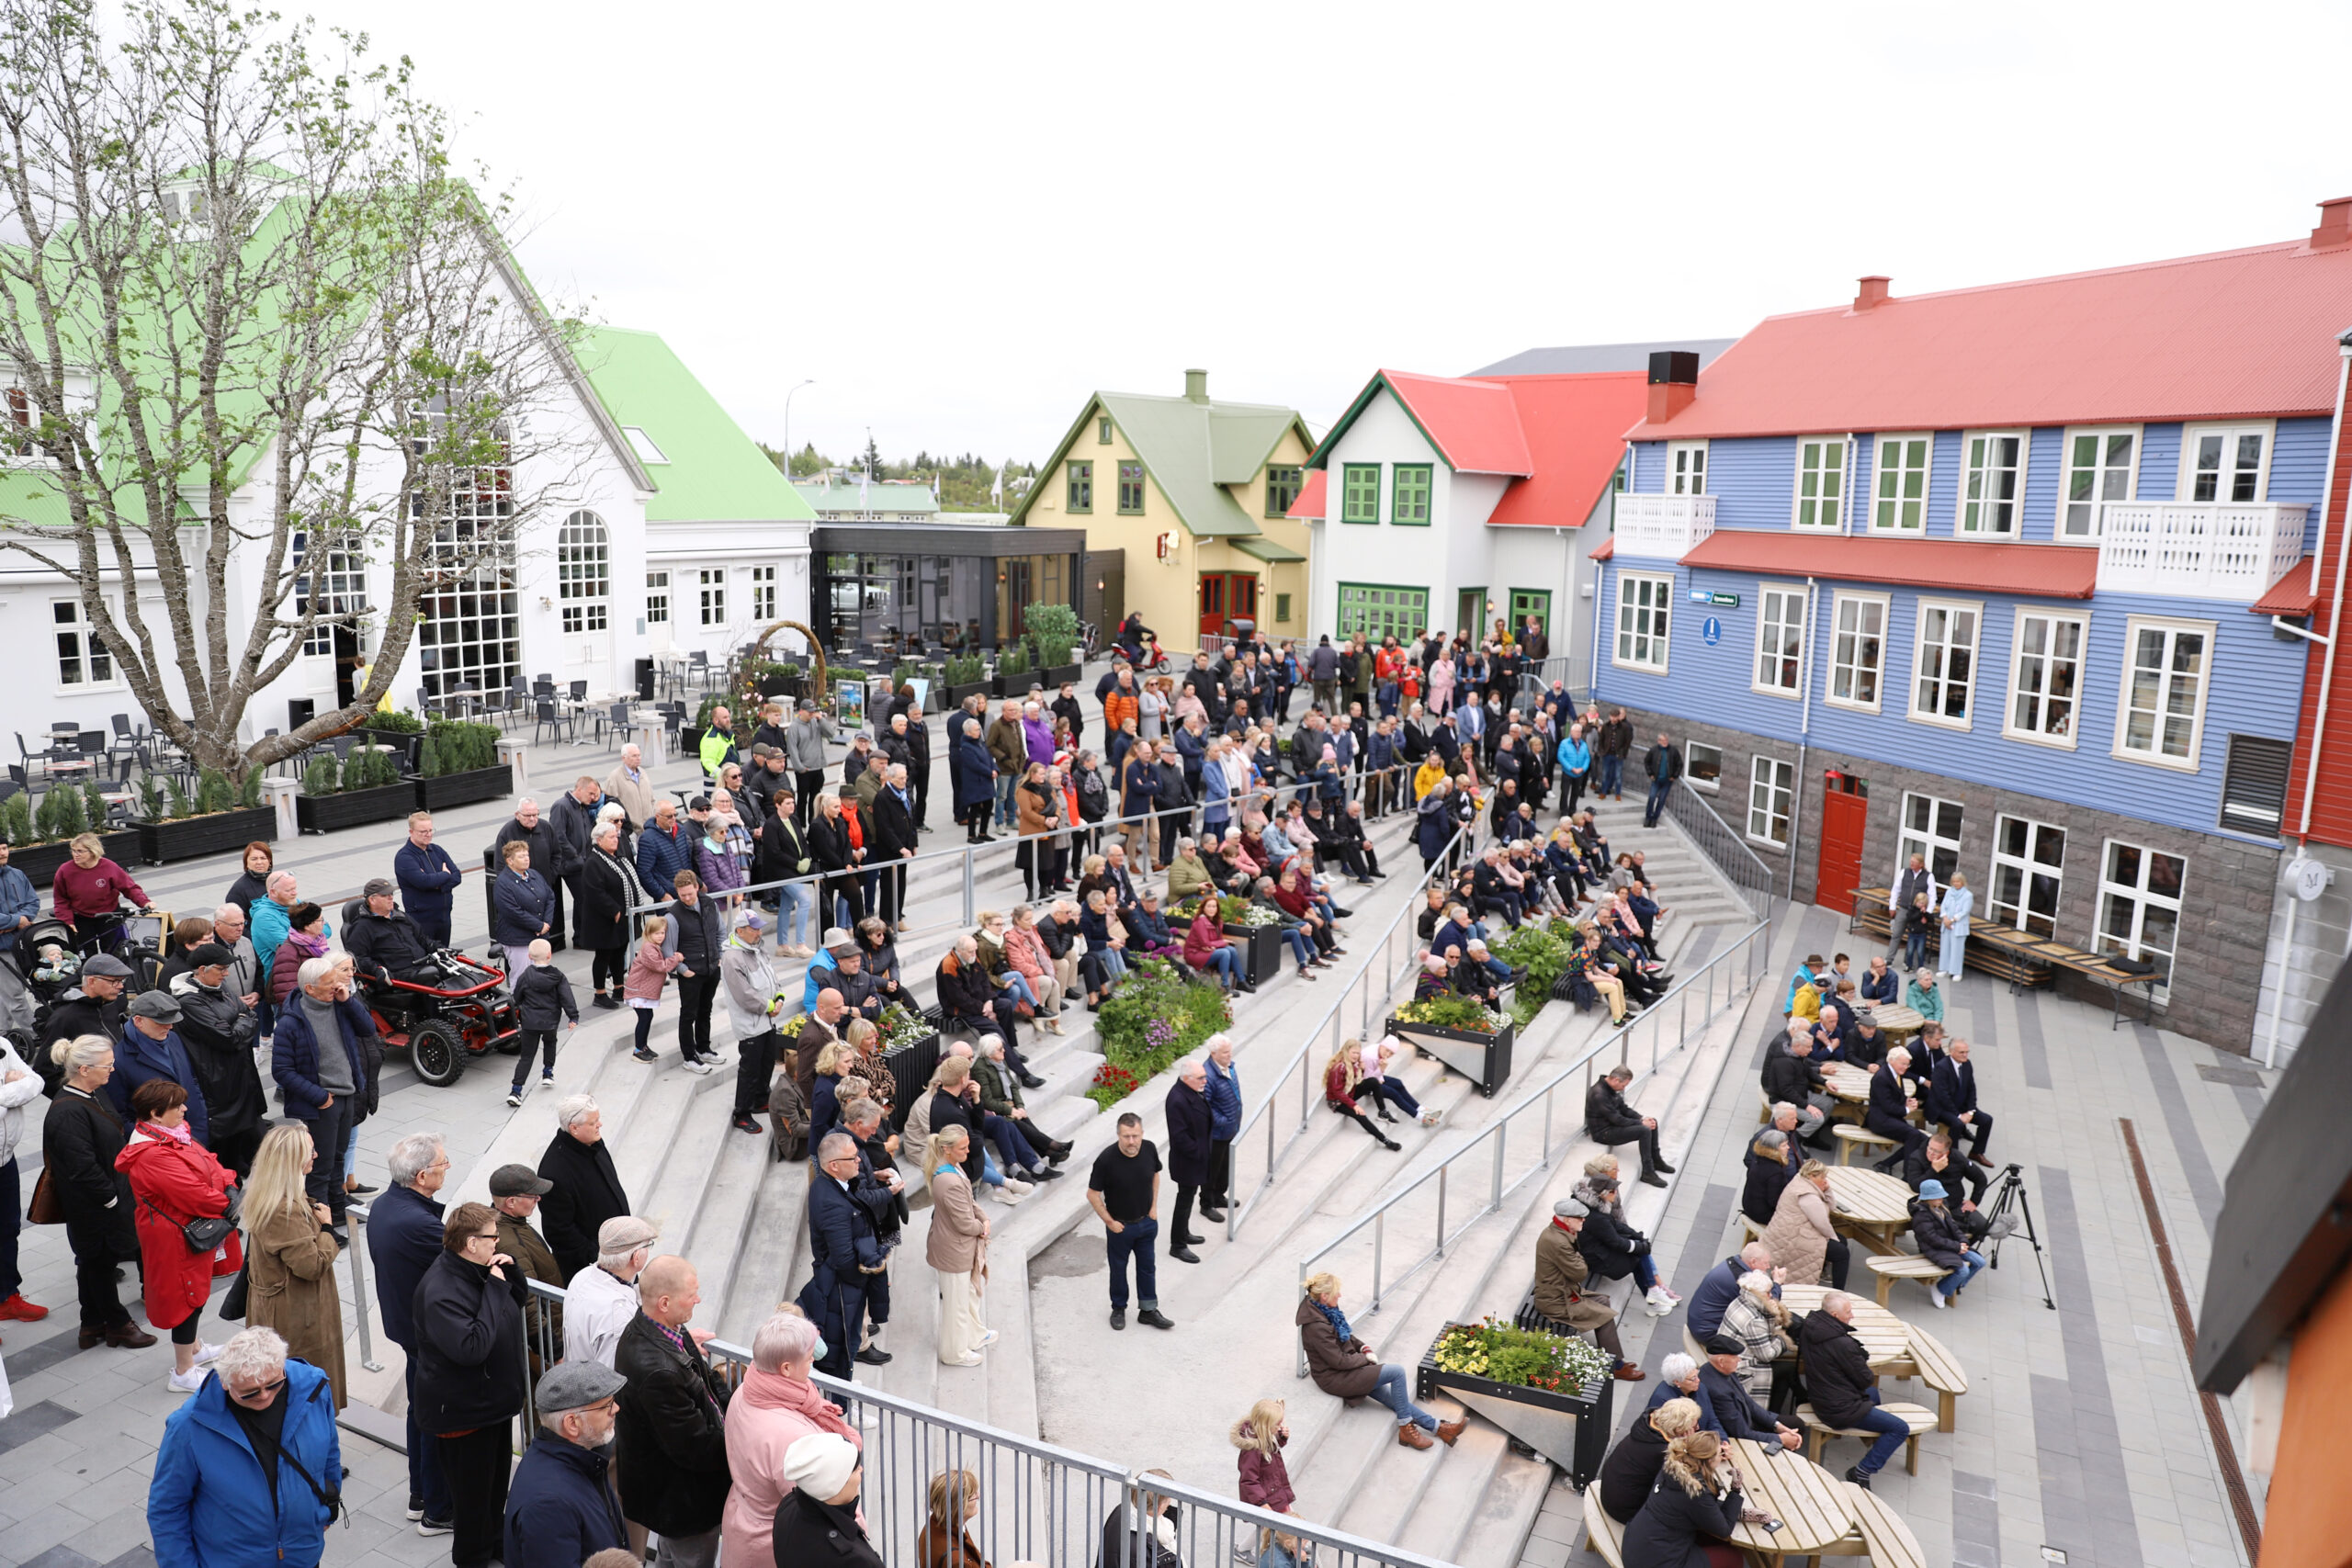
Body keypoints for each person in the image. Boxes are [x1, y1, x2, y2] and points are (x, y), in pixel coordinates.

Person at [146, 1326, 343, 1568]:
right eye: (249, 1392)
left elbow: (330, 1456)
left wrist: (326, 1510)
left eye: (273, 1384)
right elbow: (167, 1508)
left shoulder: (314, 1388)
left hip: (303, 1556)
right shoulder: (188, 1426)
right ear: (225, 1382)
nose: (264, 1396)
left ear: (282, 1366)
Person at [413, 1201, 530, 1567]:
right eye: (492, 1237)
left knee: (494, 1490)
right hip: (464, 1414)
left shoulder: (478, 1268)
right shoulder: (441, 1291)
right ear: (470, 1243)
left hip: (491, 1405)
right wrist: (495, 1289)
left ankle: (494, 1546)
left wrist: (511, 1274)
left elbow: (515, 1303)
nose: (498, 1242)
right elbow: (472, 1349)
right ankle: (472, 1558)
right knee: (473, 1500)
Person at [115, 1078, 237, 1388]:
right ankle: (183, 1372)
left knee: (195, 1289)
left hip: (187, 1228)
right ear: (155, 1114)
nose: (184, 1109)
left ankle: (194, 1349)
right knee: (187, 1297)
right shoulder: (153, 1154)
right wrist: (229, 1203)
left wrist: (228, 1183)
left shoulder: (171, 1134)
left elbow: (208, 1162)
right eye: (177, 1106)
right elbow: (191, 1193)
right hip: (175, 1236)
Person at [616, 1255, 733, 1567]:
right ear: (665, 1303)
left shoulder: (660, 1328)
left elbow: (705, 1382)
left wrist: (732, 1407)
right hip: (684, 1503)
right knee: (689, 1559)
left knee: (670, 1557)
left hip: (674, 1496)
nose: (698, 1299)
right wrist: (744, 1439)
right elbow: (696, 1448)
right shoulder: (658, 1370)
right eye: (691, 1294)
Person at [721, 1312, 862, 1568]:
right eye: (808, 1359)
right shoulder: (792, 1438)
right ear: (786, 1368)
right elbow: (822, 1508)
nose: (812, 1362)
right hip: (772, 1547)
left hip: (744, 1524)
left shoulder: (745, 1392)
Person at [369, 1132, 454, 1531]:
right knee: (435, 1419)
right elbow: (469, 1264)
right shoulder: (418, 1222)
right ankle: (437, 1509)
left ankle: (419, 1495)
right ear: (421, 1176)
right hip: (429, 1335)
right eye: (442, 1164)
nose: (447, 1168)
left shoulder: (387, 1204)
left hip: (408, 1328)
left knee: (419, 1411)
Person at [243, 1122, 346, 1407]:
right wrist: (327, 1228)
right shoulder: (283, 1210)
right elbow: (311, 1266)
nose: (316, 1155)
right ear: (292, 1160)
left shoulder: (270, 1194)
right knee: (303, 1392)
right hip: (297, 1315)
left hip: (285, 1307)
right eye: (310, 1151)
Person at [1295, 1272, 1463, 1450]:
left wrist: (1362, 1347)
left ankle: (1439, 1428)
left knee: (1391, 1396)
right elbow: (1338, 1361)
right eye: (1337, 1292)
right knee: (1397, 1372)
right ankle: (1406, 1428)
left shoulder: (1324, 1310)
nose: (1340, 1295)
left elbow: (1345, 1335)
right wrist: (1364, 1359)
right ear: (1324, 1296)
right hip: (1334, 1377)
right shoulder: (1316, 1327)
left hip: (1345, 1369)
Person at [270, 956, 371, 1237]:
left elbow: (367, 1029)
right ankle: (321, 1225)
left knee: (338, 1158)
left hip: (347, 1095)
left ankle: (338, 1208)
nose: (337, 986)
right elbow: (282, 1071)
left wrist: (348, 1001)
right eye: (330, 984)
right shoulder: (291, 1022)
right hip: (321, 1103)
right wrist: (319, 1097)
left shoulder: (340, 1005)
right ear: (310, 988)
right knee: (319, 1167)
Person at [504, 1360, 630, 1568]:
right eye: (607, 1405)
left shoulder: (585, 1455)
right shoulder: (548, 1507)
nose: (616, 1408)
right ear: (572, 1423)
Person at [798, 1132, 895, 1394]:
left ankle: (843, 1386)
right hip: (841, 1289)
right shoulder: (831, 1202)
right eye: (852, 1158)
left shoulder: (832, 1185)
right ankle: (839, 1402)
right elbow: (844, 1259)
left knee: (846, 1344)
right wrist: (867, 1276)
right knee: (841, 1346)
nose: (859, 1161)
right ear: (834, 1166)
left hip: (842, 1286)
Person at [1794, 1291, 1910, 1489]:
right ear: (1835, 1315)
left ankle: (1873, 1439)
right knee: (1900, 1429)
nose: (1852, 1316)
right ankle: (1861, 1472)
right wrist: (1856, 1354)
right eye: (1848, 1312)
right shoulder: (1842, 1344)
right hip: (1839, 1409)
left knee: (1873, 1395)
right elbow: (1865, 1379)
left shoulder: (1810, 1326)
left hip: (1820, 1397)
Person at [1529, 1197, 1645, 1380]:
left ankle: (1610, 1356)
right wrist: (1580, 1259)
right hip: (1556, 1302)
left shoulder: (1560, 1232)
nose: (1584, 1220)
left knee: (1603, 1301)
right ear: (1567, 1219)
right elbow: (1580, 1273)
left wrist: (1578, 1258)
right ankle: (1616, 1366)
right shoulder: (1558, 1241)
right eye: (1580, 1218)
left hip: (1564, 1292)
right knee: (1605, 1316)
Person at [1088, 1112, 1171, 1331]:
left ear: (1142, 1133)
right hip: (1120, 1227)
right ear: (1118, 1135)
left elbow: (1155, 1175)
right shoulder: (1106, 1160)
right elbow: (1092, 1194)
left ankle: (1148, 1310)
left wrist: (1153, 1208)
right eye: (1126, 1136)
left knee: (1147, 1267)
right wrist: (1110, 1222)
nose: (1132, 1141)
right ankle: (1118, 1308)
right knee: (1118, 1269)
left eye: (1135, 1136)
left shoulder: (1149, 1149)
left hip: (1147, 1223)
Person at [1621, 1430, 1751, 1568]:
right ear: (1709, 1460)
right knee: (1734, 1557)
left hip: (1636, 1544)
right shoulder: (1696, 1492)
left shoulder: (1670, 1467)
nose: (1722, 1456)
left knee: (1711, 1540)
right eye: (1720, 1453)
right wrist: (1735, 1490)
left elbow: (1700, 1507)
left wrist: (1737, 1511)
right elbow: (1724, 1529)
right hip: (1655, 1561)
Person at [537, 1094, 631, 1280]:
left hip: (618, 1251)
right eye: (593, 1122)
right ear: (574, 1128)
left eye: (598, 1119)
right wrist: (597, 1256)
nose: (600, 1125)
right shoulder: (554, 1172)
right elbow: (559, 1231)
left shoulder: (593, 1143)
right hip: (597, 1268)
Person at [923, 1125, 994, 1366]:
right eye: (962, 1148)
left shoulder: (953, 1166)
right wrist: (982, 1227)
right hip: (953, 1250)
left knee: (969, 1295)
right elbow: (964, 1223)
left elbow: (970, 1202)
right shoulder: (948, 1180)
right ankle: (954, 1353)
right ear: (947, 1149)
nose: (968, 1151)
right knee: (956, 1306)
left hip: (960, 1246)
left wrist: (983, 1218)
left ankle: (973, 1336)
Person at [772, 1432, 883, 1568]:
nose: (861, 1469)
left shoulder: (789, 1505)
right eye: (854, 1470)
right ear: (835, 1485)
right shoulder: (854, 1561)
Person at [721, 909, 786, 1134]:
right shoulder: (731, 958)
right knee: (750, 1069)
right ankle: (742, 1113)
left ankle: (760, 1099)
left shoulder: (758, 948)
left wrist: (779, 998)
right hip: (750, 1023)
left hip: (767, 1020)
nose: (759, 932)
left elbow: (772, 977)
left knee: (767, 1062)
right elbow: (744, 994)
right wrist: (770, 1006)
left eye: (759, 928)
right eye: (754, 929)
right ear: (740, 931)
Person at [563, 1215, 658, 1369]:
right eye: (648, 1246)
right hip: (594, 1382)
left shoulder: (583, 1276)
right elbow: (613, 1375)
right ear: (636, 1257)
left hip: (577, 1374)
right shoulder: (617, 1313)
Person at [1597, 1397, 1701, 1526]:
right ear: (1679, 1430)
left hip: (1612, 1493)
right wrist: (1688, 1445)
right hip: (1625, 1510)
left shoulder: (1647, 1427)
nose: (1697, 1428)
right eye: (1694, 1427)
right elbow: (1685, 1479)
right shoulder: (1663, 1452)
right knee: (1687, 1513)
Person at [577, 819, 648, 1009]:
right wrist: (614, 910)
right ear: (599, 840)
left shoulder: (618, 858)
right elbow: (594, 891)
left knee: (619, 953)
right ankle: (600, 993)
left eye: (616, 837)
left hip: (622, 916)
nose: (616, 840)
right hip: (604, 920)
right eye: (611, 837)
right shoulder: (594, 862)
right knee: (604, 956)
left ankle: (619, 987)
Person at [1695, 1332, 1804, 1449]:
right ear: (1721, 1361)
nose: (1739, 1359)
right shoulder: (1718, 1391)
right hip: (1737, 1438)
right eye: (1734, 1357)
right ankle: (1779, 1454)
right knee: (1791, 1437)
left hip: (1745, 1420)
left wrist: (1777, 1425)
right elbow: (1741, 1433)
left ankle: (1784, 1448)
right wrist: (1780, 1439)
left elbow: (1749, 1403)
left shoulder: (1723, 1370)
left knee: (1795, 1425)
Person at [665, 870, 729, 1071]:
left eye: (689, 894)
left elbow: (720, 931)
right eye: (682, 895)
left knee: (705, 1010)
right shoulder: (673, 915)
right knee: (688, 1015)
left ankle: (703, 1048)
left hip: (712, 968)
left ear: (696, 887)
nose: (686, 898)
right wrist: (683, 970)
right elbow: (668, 949)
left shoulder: (710, 904)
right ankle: (689, 1057)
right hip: (691, 973)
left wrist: (719, 957)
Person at [53, 830, 153, 955]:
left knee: (114, 952)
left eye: (80, 851)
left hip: (109, 916)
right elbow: (61, 899)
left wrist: (145, 902)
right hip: (81, 917)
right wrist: (67, 921)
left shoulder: (109, 867)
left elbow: (129, 888)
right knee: (87, 953)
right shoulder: (65, 871)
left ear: (93, 851)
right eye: (73, 850)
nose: (75, 854)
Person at [1719, 1270, 1800, 1417]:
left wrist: (1771, 1314)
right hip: (1741, 1371)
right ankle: (1771, 1416)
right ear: (1759, 1294)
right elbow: (1767, 1355)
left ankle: (1779, 1409)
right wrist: (1783, 1339)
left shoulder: (1740, 1301)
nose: (1771, 1296)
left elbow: (1763, 1334)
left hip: (1728, 1359)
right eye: (1768, 1293)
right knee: (1788, 1369)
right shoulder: (1754, 1320)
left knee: (1786, 1369)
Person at [1762, 1156, 1848, 1290]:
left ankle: (1822, 1269)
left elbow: (1831, 1206)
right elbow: (1822, 1224)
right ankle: (1839, 1291)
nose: (1825, 1180)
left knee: (1842, 1241)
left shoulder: (1799, 1180)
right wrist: (1833, 1238)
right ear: (1812, 1176)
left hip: (1787, 1231)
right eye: (1822, 1177)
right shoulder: (1808, 1196)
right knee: (1842, 1253)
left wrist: (1827, 1190)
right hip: (1793, 1239)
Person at [1585, 1065, 1672, 1187]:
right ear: (1616, 1080)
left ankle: (1656, 1160)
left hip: (1613, 1125)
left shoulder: (1611, 1089)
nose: (1623, 1088)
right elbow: (1617, 1119)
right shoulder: (1599, 1094)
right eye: (1623, 1085)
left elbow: (1624, 1109)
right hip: (1603, 1133)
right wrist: (1641, 1123)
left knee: (1652, 1122)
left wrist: (1642, 1118)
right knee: (1644, 1130)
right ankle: (1648, 1172)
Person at [1163, 1061, 1213, 1266]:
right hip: (1187, 1161)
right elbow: (1179, 1137)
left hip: (1196, 1158)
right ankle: (1177, 1245)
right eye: (1201, 1078)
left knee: (1188, 1197)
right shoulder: (1177, 1100)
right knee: (1184, 1200)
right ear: (1186, 1079)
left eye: (1204, 1076)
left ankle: (1183, 1232)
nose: (1205, 1081)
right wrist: (1199, 1152)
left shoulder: (1191, 1091)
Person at [1912, 1179, 1988, 1309]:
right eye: (1937, 1197)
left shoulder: (1942, 1208)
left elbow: (1954, 1227)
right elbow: (1932, 1239)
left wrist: (1963, 1242)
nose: (1941, 1199)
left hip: (1950, 1245)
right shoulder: (1921, 1215)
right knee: (1962, 1270)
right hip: (1935, 1248)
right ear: (1928, 1198)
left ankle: (1955, 1285)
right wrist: (1957, 1247)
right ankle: (1940, 1289)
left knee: (1980, 1262)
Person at [395, 813, 466, 950]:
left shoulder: (437, 850)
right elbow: (423, 882)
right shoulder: (404, 857)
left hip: (444, 916)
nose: (428, 835)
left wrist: (437, 885)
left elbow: (457, 876)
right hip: (422, 919)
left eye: (430, 830)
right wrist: (445, 874)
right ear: (411, 832)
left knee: (444, 954)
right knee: (426, 955)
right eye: (423, 831)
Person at [1685, 1242, 1779, 1341]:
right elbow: (1766, 1306)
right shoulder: (1742, 1281)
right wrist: (1777, 1283)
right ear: (1753, 1262)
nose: (1768, 1267)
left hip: (1698, 1323)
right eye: (1765, 1263)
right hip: (1710, 1332)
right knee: (1760, 1335)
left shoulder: (1733, 1263)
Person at [492, 839, 557, 977]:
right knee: (521, 977)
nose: (527, 859)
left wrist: (546, 923)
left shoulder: (534, 874)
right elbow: (511, 911)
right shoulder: (503, 883)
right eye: (521, 856)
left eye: (527, 855)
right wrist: (538, 926)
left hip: (540, 935)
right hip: (518, 940)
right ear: (510, 861)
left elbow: (550, 897)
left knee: (541, 975)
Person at [1926, 1036, 1994, 1164]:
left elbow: (1971, 1088)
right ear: (1951, 1052)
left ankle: (1976, 1152)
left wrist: (1971, 1111)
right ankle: (1953, 1157)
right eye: (1962, 1052)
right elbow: (1942, 1096)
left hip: (1961, 1106)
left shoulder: (1967, 1064)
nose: (1965, 1055)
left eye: (1967, 1052)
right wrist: (1958, 1115)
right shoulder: (1941, 1067)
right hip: (1941, 1108)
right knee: (1957, 1123)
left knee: (1986, 1120)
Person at [1865, 1045, 1930, 1171]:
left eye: (1907, 1065)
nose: (1905, 1067)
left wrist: (1906, 1100)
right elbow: (1887, 1106)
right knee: (1914, 1136)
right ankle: (1908, 1173)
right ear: (1891, 1061)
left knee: (1924, 1140)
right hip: (1880, 1120)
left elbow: (1895, 1095)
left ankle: (1886, 1164)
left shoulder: (1895, 1073)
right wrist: (1907, 1110)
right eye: (1903, 1064)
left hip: (1890, 1117)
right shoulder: (1882, 1077)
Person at [1741, 1126, 1796, 1229]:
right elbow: (1775, 1201)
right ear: (1774, 1149)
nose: (1788, 1147)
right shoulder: (1775, 1172)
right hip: (1762, 1213)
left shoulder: (1758, 1159)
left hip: (1749, 1205)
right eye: (1784, 1145)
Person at [1936, 871, 1973, 981]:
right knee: (1945, 947)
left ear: (1962, 882)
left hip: (1959, 925)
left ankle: (1956, 972)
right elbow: (1943, 906)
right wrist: (1945, 918)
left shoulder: (1968, 895)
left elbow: (1965, 911)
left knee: (1957, 949)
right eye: (1954, 882)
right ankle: (1944, 968)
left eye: (1958, 881)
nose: (1956, 884)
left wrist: (1952, 920)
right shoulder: (1949, 892)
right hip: (1946, 924)